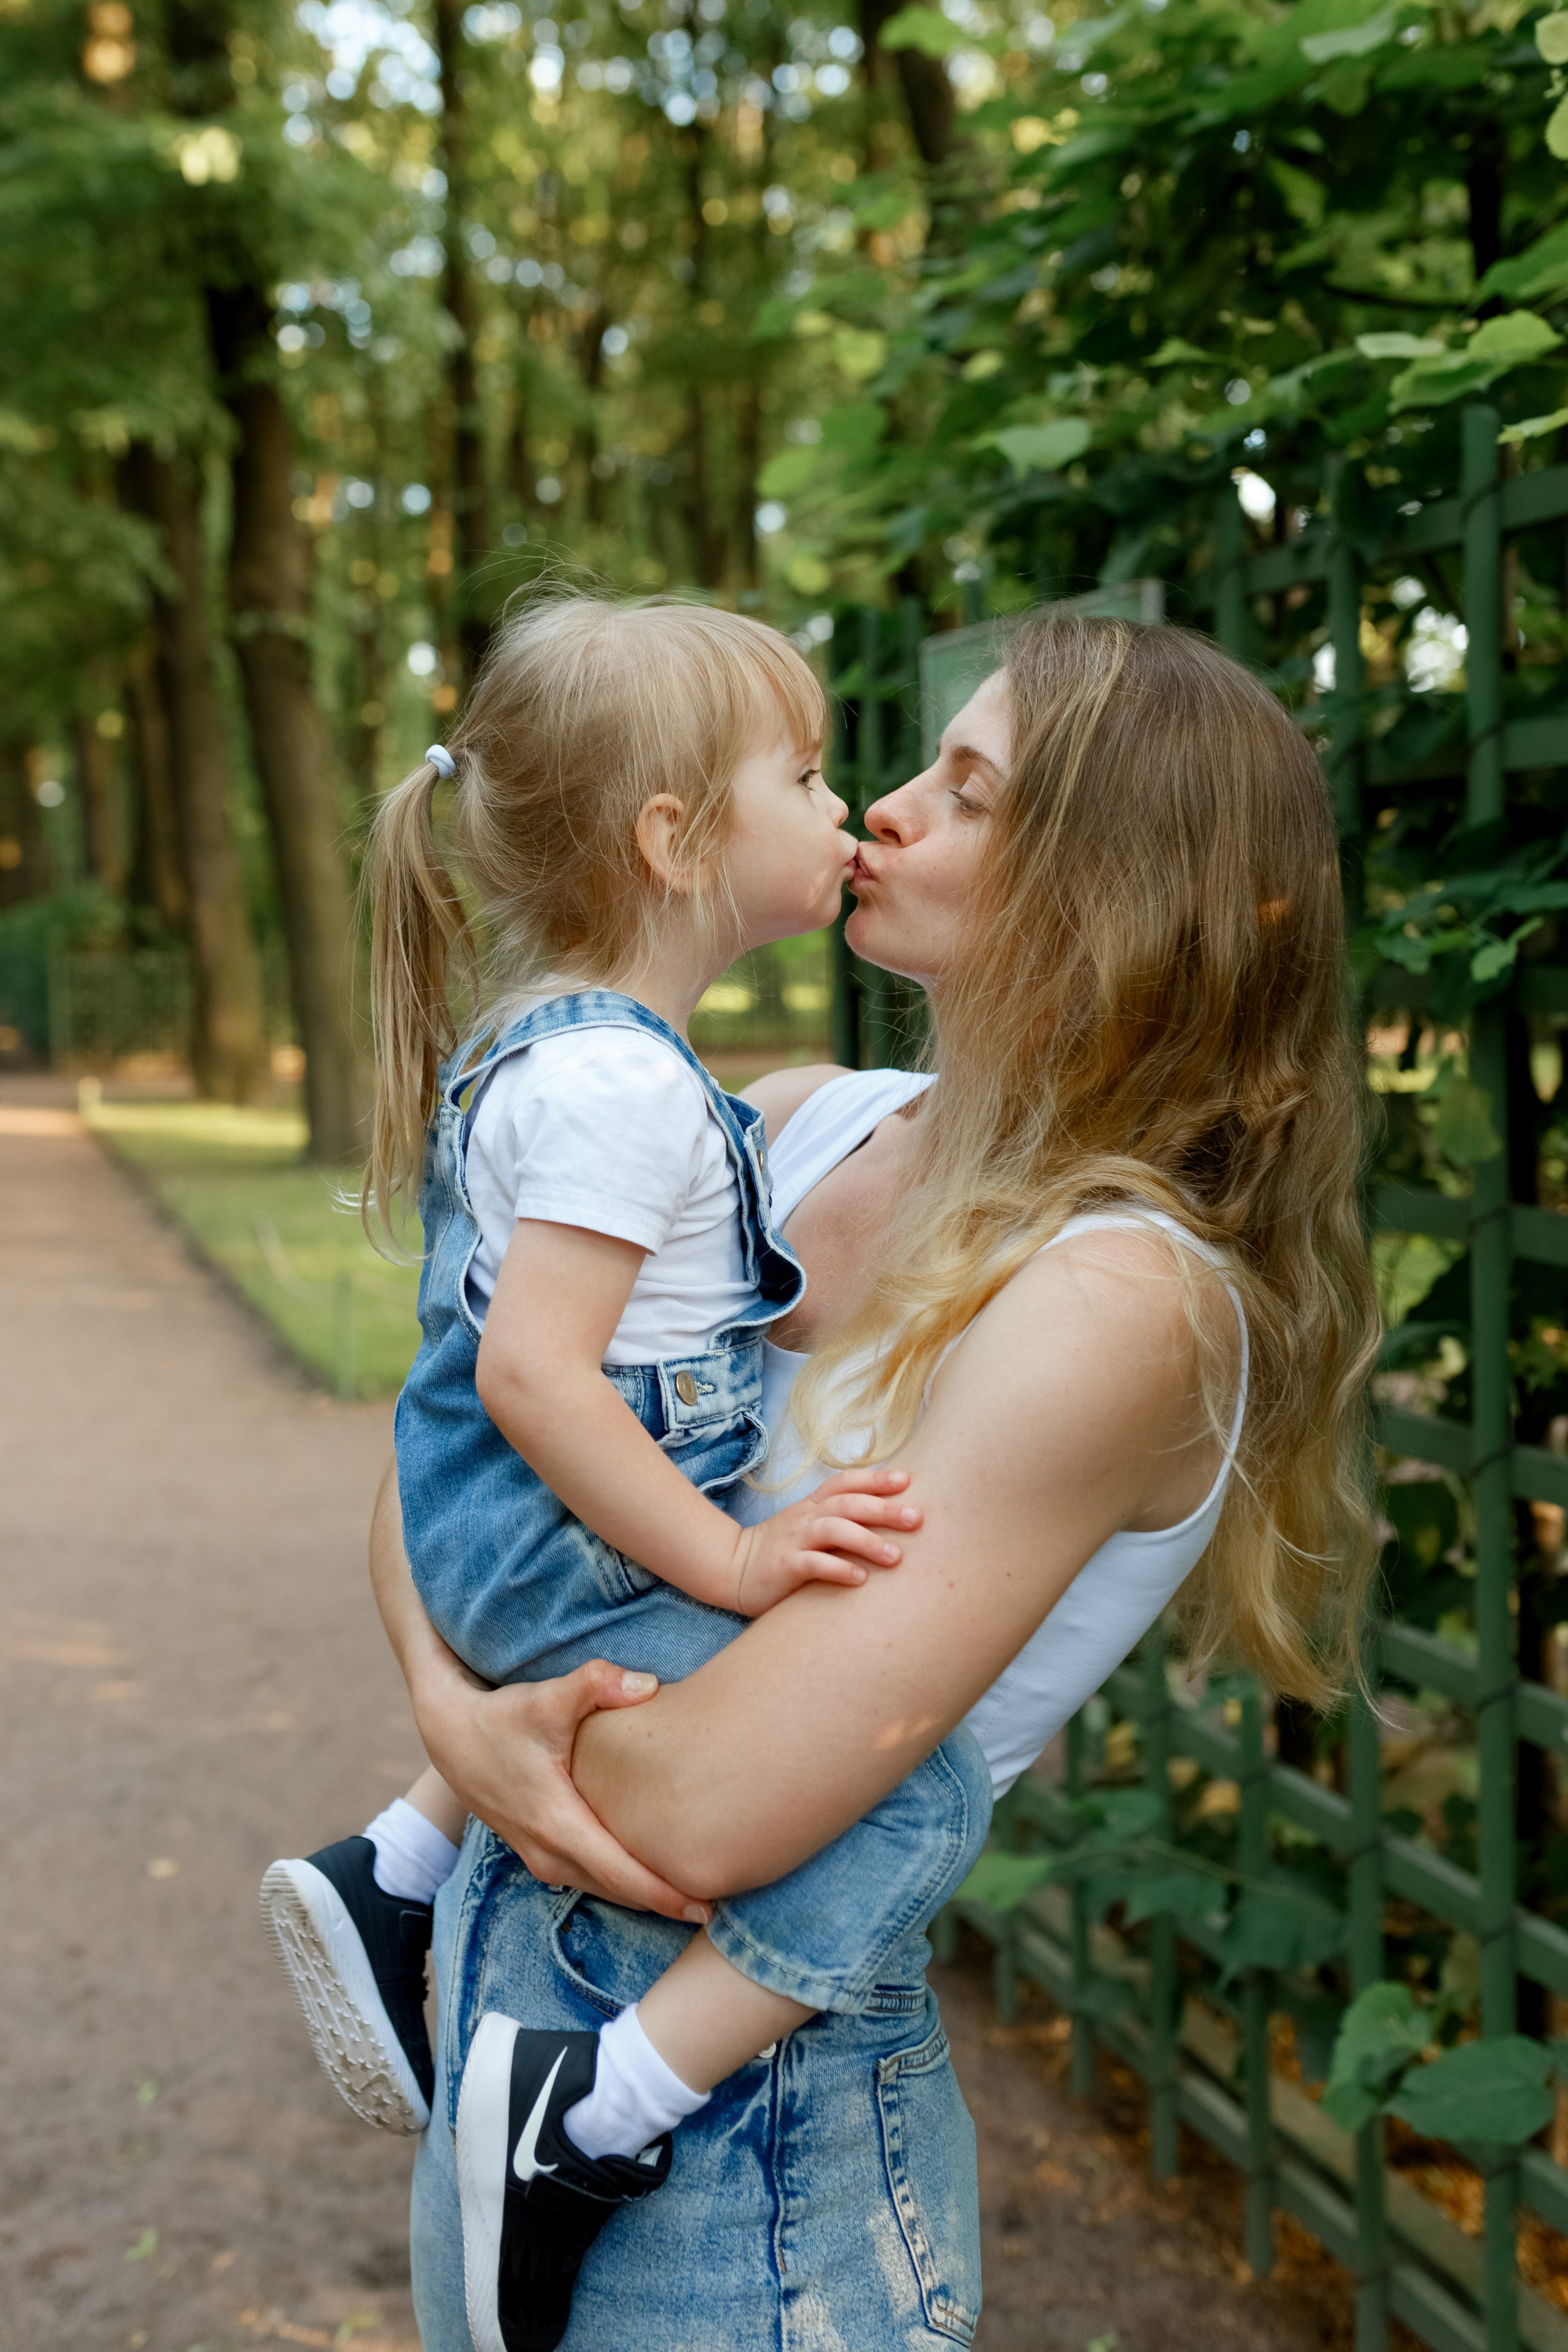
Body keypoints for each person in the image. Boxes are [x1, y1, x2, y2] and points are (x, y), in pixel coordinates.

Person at [369, 611, 1381, 2352]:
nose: (887, 810)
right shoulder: (784, 1122)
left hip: (742, 2155)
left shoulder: (1121, 1292)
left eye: (965, 790)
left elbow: (703, 1810)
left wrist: (480, 1715)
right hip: (503, 2008)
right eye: (896, 769)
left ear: (1130, 885)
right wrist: (456, 1729)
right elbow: (440, 1446)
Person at [258, 597, 998, 2352]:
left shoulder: (592, 1061)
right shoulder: (626, 1090)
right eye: (809, 775)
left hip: (523, 1553)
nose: (857, 811)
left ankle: (401, 1872)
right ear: (674, 840)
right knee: (918, 1795)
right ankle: (585, 2118)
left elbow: (486, 1380)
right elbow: (530, 1375)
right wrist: (740, 1571)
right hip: (568, 1563)